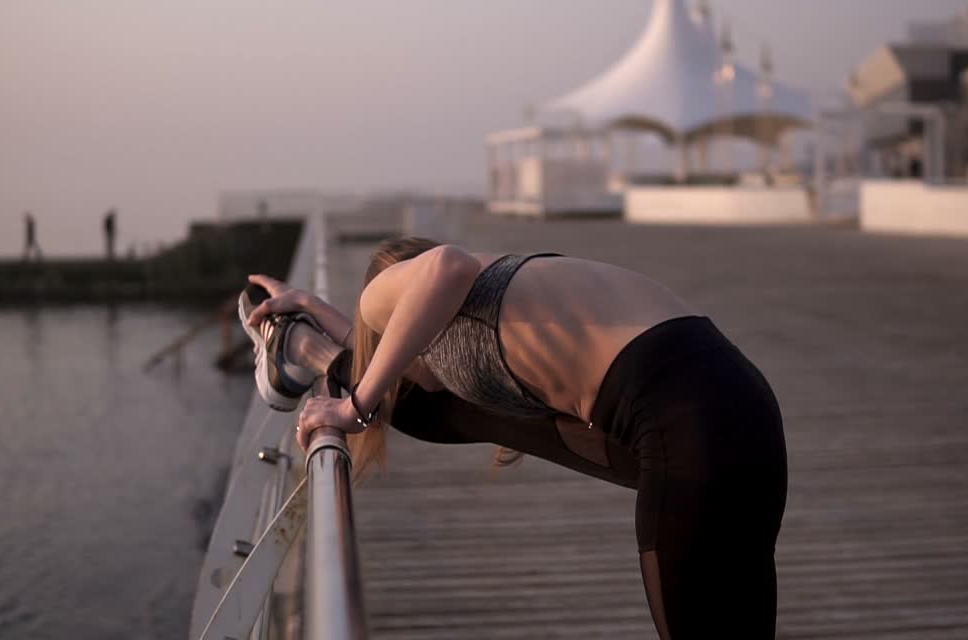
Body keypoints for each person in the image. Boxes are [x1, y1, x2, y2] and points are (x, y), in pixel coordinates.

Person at [246, 237, 788, 639]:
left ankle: (298, 350)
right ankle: (299, 346)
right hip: (741, 399)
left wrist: (355, 405)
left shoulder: (393, 289)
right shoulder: (509, 291)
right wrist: (313, 307)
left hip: (685, 421)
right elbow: (413, 375)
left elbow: (442, 269)